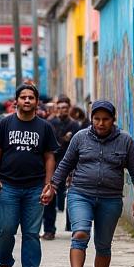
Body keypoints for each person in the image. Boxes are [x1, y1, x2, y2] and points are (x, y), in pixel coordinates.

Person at [42, 99, 134, 267]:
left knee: (103, 244)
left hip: (110, 198)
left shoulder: (125, 140)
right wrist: (52, 186)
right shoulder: (80, 138)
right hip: (80, 194)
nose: (100, 123)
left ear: (113, 120)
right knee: (80, 233)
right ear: (91, 119)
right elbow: (65, 164)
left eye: (105, 119)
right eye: (96, 119)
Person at [0, 83, 60, 267]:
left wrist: (49, 184)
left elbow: (49, 157)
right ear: (16, 101)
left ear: (37, 102)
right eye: (23, 97)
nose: (27, 100)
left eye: (31, 97)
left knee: (31, 232)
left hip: (34, 187)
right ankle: (4, 265)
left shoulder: (45, 127)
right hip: (8, 186)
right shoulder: (5, 124)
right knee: (6, 229)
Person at [44, 95, 81, 240]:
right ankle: (49, 229)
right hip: (53, 163)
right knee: (49, 195)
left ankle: (74, 228)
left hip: (70, 164)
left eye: (64, 108)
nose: (61, 111)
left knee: (72, 195)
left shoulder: (75, 125)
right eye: (59, 108)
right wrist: (62, 139)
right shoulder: (50, 123)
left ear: (69, 108)